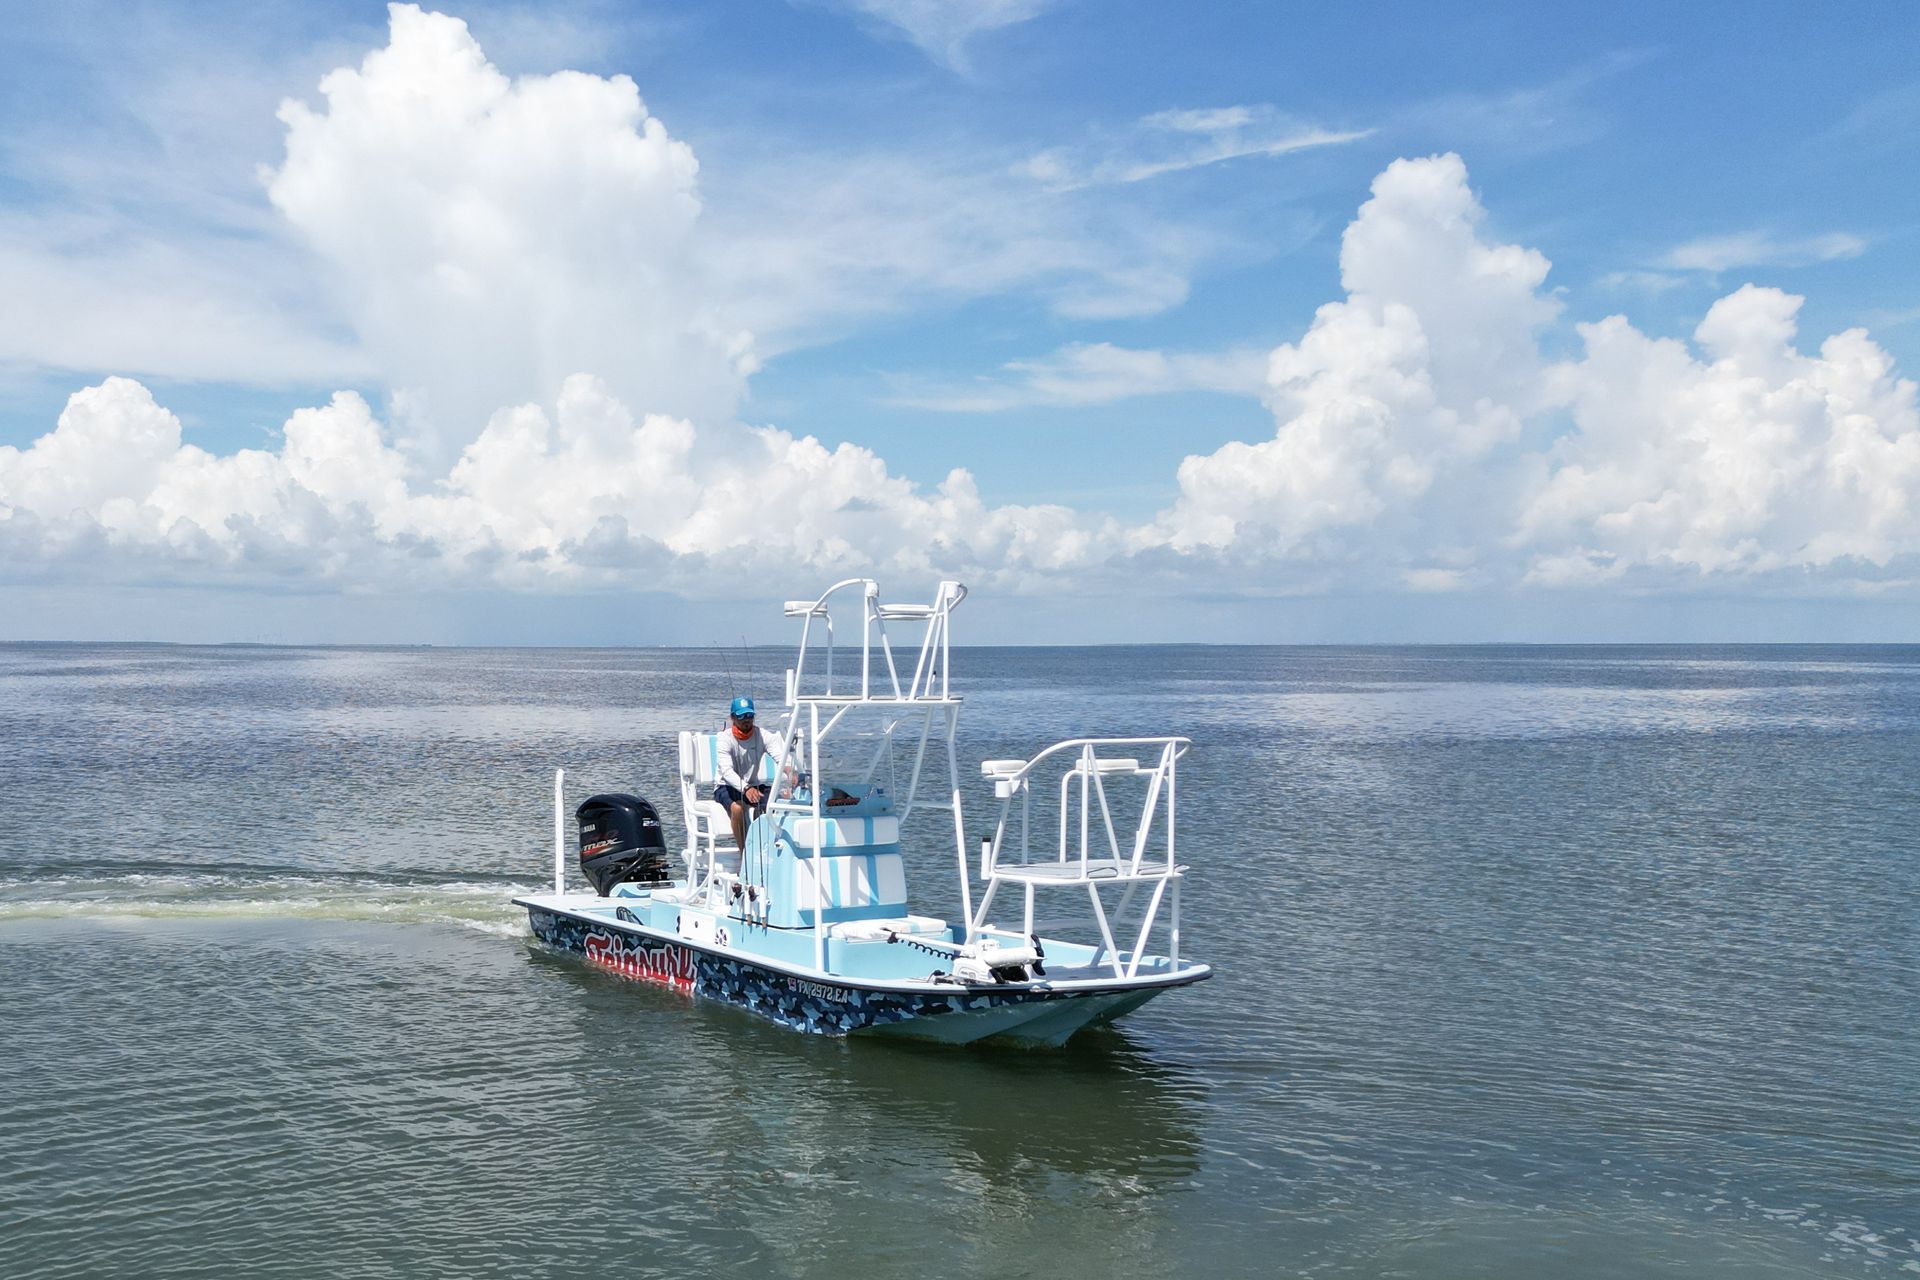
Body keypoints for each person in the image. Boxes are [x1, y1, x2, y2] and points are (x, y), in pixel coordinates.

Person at [714, 695, 771, 850]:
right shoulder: (724, 738)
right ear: (733, 717)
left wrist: (789, 771)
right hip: (725, 786)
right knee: (738, 809)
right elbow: (726, 771)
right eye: (741, 716)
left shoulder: (762, 735)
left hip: (753, 785)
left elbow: (781, 755)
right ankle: (744, 854)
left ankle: (765, 849)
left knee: (775, 801)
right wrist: (746, 788)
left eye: (750, 715)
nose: (747, 720)